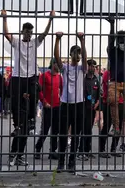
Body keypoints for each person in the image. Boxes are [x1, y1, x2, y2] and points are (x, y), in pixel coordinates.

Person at [1, 9, 55, 166]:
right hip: (18, 78)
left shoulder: (33, 43)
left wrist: (50, 19)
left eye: (31, 32)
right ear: (22, 32)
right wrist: (5, 18)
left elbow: (44, 35)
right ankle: (15, 151)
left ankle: (30, 123)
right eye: (27, 32)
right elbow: (6, 34)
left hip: (31, 77)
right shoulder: (17, 42)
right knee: (20, 123)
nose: (29, 35)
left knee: (31, 107)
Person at [54, 31, 87, 173]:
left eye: (79, 53)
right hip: (65, 104)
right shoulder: (66, 68)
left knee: (75, 135)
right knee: (62, 134)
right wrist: (57, 39)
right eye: (75, 53)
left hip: (79, 104)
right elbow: (57, 57)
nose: (78, 55)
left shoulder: (82, 69)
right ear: (71, 54)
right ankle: (61, 162)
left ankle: (72, 162)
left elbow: (85, 58)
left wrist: (82, 40)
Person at [35, 58, 63, 160]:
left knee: (55, 131)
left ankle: (52, 151)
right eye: (58, 63)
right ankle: (37, 149)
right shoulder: (44, 75)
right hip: (48, 107)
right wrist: (44, 102)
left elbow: (63, 90)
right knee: (45, 130)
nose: (60, 65)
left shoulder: (60, 77)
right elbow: (39, 90)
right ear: (53, 64)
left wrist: (62, 102)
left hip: (57, 107)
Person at [78, 59, 100, 160]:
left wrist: (97, 103)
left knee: (89, 130)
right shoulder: (83, 80)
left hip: (92, 109)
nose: (93, 68)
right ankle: (81, 151)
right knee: (84, 130)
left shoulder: (96, 80)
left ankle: (87, 151)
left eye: (94, 66)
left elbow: (99, 94)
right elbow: (83, 94)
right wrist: (90, 100)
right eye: (91, 66)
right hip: (83, 108)